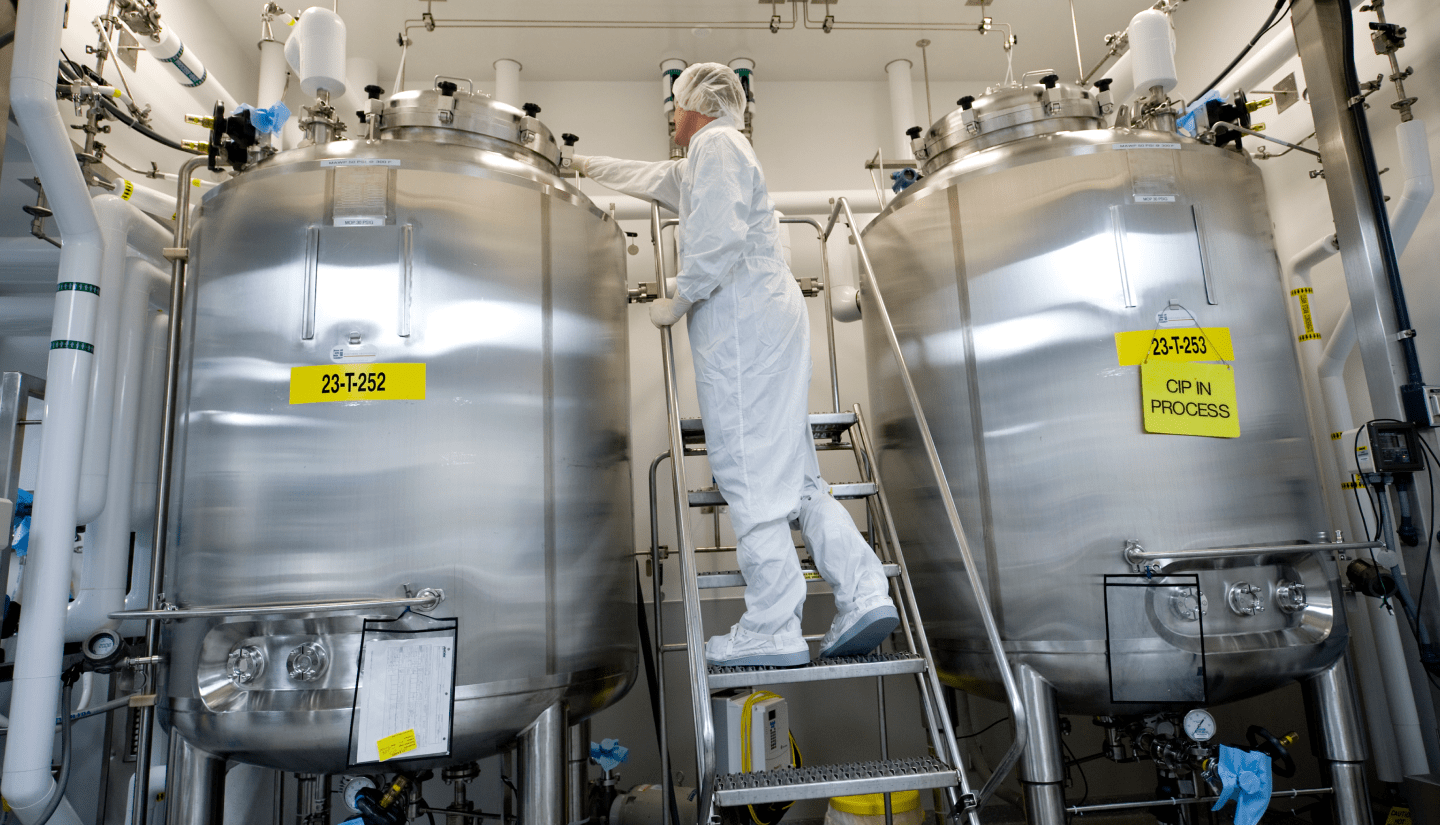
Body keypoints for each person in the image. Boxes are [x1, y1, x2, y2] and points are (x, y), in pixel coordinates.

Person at [574, 63, 897, 668]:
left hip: (745, 336)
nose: (670, 115)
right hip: (766, 331)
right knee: (798, 483)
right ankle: (863, 592)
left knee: (748, 477)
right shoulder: (708, 157)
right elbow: (657, 179)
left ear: (698, 105)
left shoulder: (717, 145)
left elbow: (716, 237)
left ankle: (772, 625)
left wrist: (681, 296)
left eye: (674, 104)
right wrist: (590, 166)